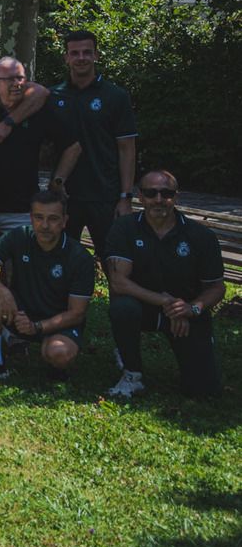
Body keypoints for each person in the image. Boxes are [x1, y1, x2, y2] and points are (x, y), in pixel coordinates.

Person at [104, 170, 226, 399]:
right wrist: (167, 301)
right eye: (151, 193)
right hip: (144, 307)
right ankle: (132, 374)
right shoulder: (125, 228)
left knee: (203, 391)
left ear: (176, 197)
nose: (158, 200)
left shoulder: (200, 236)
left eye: (166, 193)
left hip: (187, 313)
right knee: (122, 308)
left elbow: (217, 287)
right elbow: (119, 282)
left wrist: (192, 308)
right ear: (140, 196)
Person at [0, 190, 93, 383]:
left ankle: (53, 360)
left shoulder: (80, 257)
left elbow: (77, 313)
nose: (44, 225)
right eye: (38, 217)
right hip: (19, 313)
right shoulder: (19, 236)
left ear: (64, 221)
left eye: (52, 219)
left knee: (59, 353)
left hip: (57, 322)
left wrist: (37, 327)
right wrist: (4, 292)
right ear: (30, 218)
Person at [50, 30, 137, 259]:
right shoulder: (53, 96)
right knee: (60, 261)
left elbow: (127, 148)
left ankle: (121, 297)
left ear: (96, 55)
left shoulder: (116, 96)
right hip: (66, 197)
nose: (81, 58)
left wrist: (125, 197)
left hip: (105, 196)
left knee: (114, 261)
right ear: (66, 57)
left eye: (87, 52)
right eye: (75, 53)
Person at [0, 57, 81, 245]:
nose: (17, 84)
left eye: (20, 78)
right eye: (9, 79)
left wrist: (58, 181)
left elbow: (73, 146)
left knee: (17, 270)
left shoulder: (38, 111)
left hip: (20, 210)